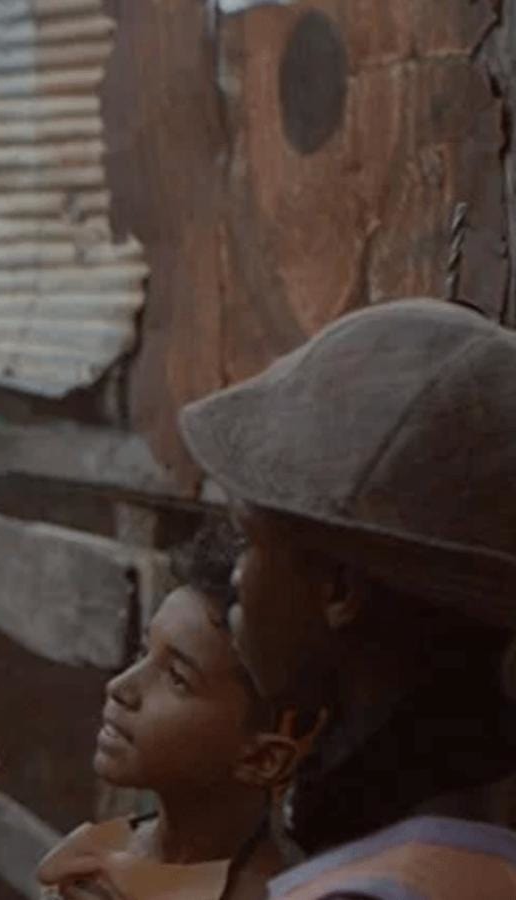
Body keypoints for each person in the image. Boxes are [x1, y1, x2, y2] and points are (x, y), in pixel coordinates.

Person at [177, 298, 516, 897]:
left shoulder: (379, 888)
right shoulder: (472, 818)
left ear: (338, 590)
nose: (236, 575)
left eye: (250, 541)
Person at [37, 523, 302, 900]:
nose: (120, 688)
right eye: (143, 652)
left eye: (177, 678)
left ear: (262, 758)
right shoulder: (101, 851)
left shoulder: (275, 894)